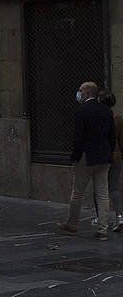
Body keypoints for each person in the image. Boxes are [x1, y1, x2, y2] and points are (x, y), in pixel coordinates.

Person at [57, 81, 117, 240]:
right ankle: (103, 229)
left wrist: (75, 157)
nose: (79, 93)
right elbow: (112, 136)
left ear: (87, 93)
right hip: (103, 157)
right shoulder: (106, 111)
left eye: (80, 90)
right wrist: (108, 153)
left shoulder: (82, 111)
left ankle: (72, 224)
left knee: (77, 192)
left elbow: (78, 138)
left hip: (86, 156)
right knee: (102, 193)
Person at [103, 90, 123, 231]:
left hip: (102, 156)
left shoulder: (100, 118)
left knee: (100, 188)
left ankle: (100, 219)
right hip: (116, 155)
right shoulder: (118, 119)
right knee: (114, 187)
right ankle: (119, 216)